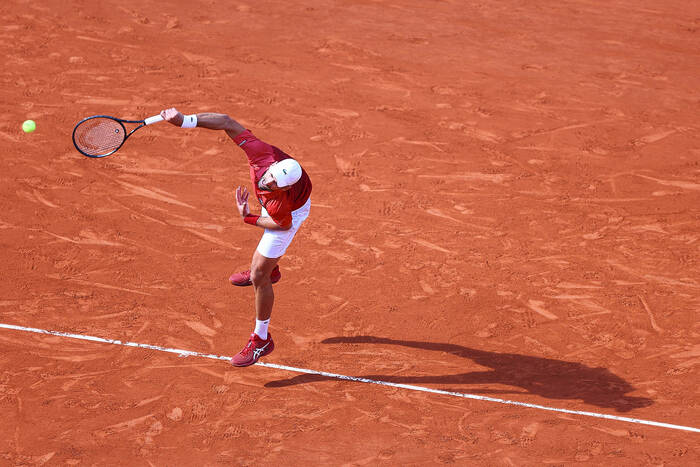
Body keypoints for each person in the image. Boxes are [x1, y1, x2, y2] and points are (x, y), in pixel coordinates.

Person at [160, 108, 312, 366]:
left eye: (276, 184)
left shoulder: (281, 204)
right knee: (262, 267)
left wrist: (248, 216)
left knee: (258, 276)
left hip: (286, 218)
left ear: (286, 188)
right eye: (271, 176)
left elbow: (278, 224)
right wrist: (184, 121)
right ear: (273, 165)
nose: (268, 182)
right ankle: (270, 269)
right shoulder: (263, 155)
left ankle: (261, 340)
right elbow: (227, 122)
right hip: (277, 210)